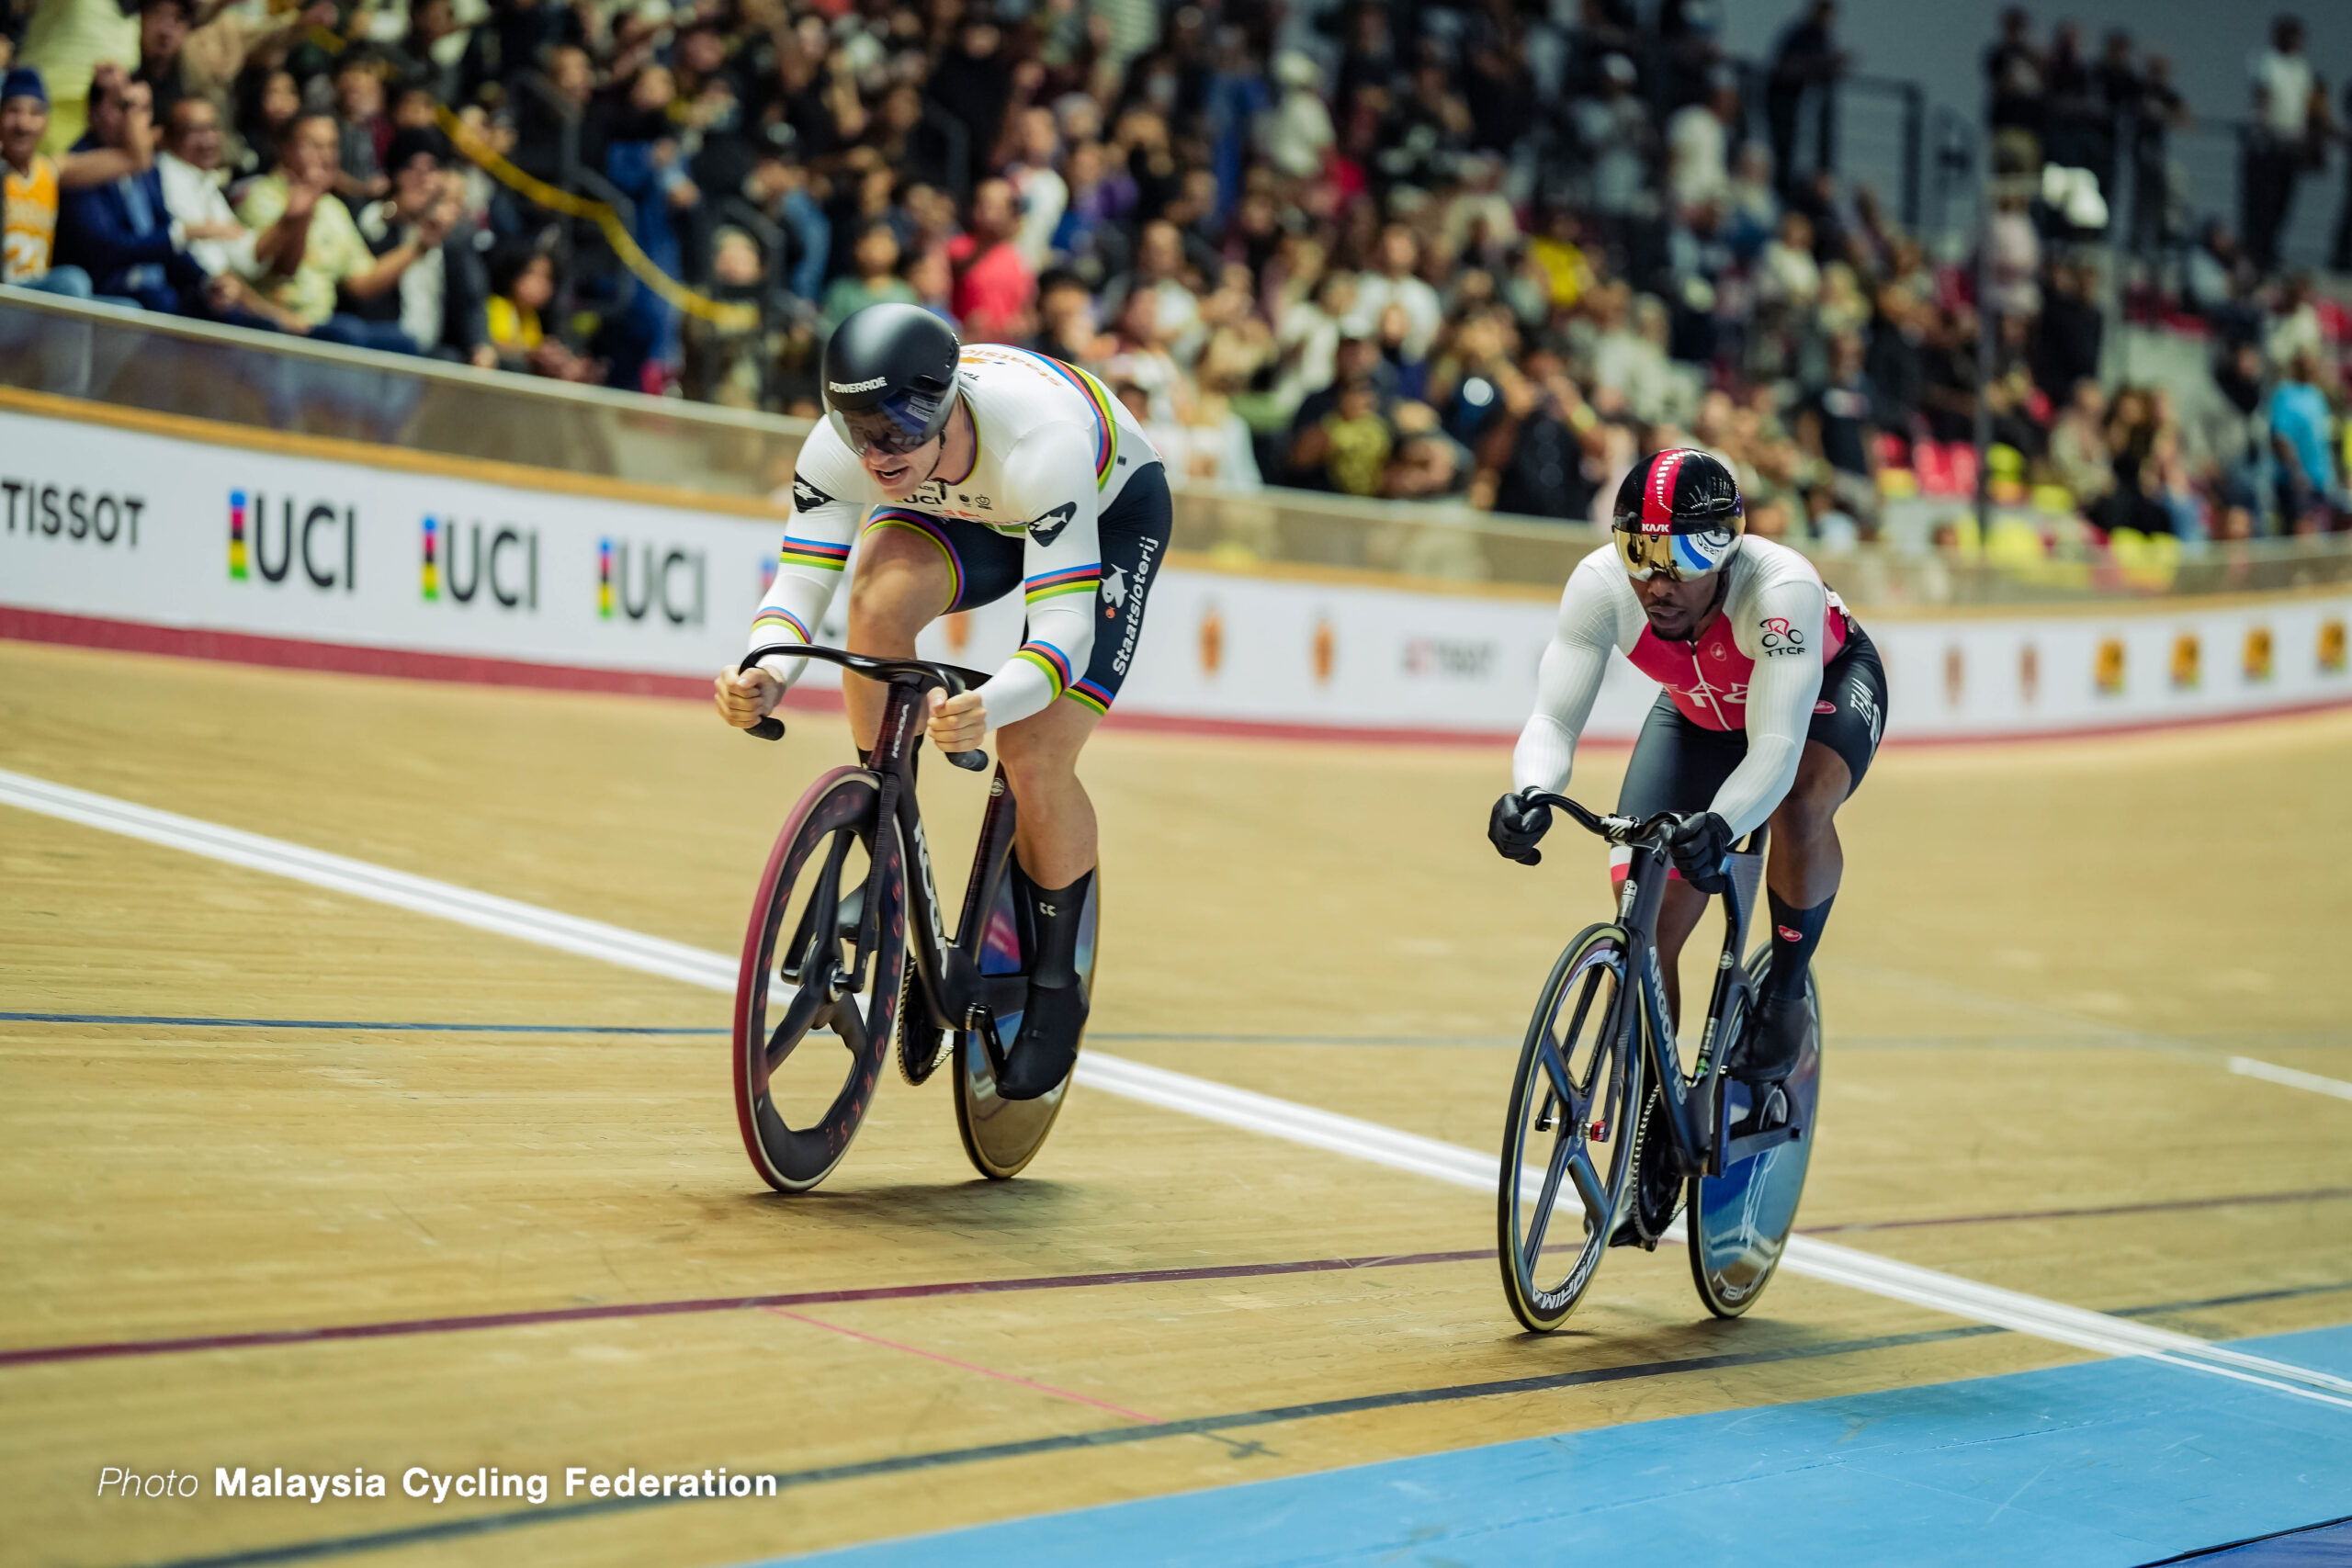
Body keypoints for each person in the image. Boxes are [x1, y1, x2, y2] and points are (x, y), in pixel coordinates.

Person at [713, 304, 1169, 1099]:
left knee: (1033, 752)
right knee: (876, 602)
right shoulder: (846, 448)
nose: (876, 451)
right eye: (858, 427)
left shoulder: (1040, 443)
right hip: (959, 501)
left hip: (1100, 506)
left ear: (943, 403)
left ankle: (1057, 985)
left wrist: (994, 702)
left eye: (896, 428)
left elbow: (1063, 631)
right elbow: (801, 581)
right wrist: (764, 670)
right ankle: (887, 833)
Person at [1487, 447, 1886, 1090]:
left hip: (1818, 698)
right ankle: (1655, 1112)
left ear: (1728, 548)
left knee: (1799, 804)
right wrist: (1530, 791)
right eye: (1640, 556)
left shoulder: (1780, 588)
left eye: (1684, 560)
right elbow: (1554, 721)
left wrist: (1722, 824)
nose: (1658, 584)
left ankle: (1785, 994)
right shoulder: (1598, 586)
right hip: (1697, 715)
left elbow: (1777, 749)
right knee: (1647, 918)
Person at [237, 110, 442, 352]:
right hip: (271, 324)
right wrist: (301, 212)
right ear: (286, 149)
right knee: (347, 331)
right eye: (314, 146)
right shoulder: (262, 196)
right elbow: (281, 268)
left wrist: (421, 246)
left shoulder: (333, 209)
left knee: (404, 341)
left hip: (321, 328)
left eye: (332, 146)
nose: (325, 156)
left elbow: (362, 282)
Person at [4, 64, 157, 297]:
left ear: (46, 122)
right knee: (72, 282)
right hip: (6, 294)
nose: (23, 124)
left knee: (129, 311)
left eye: (35, 113)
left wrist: (125, 98)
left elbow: (137, 160)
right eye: (13, 111)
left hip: (35, 294)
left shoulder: (51, 171)